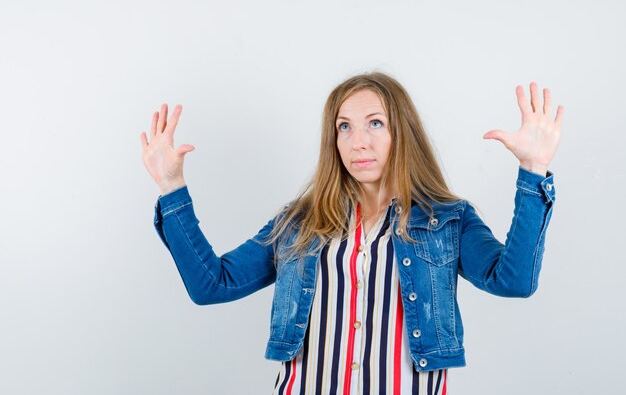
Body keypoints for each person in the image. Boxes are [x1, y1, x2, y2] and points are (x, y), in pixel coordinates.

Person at [139, 72, 563, 395]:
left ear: (403, 132)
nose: (358, 141)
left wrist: (533, 172)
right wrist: (171, 189)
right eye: (345, 127)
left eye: (375, 123)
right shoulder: (299, 223)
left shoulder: (447, 221)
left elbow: (514, 281)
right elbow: (213, 284)